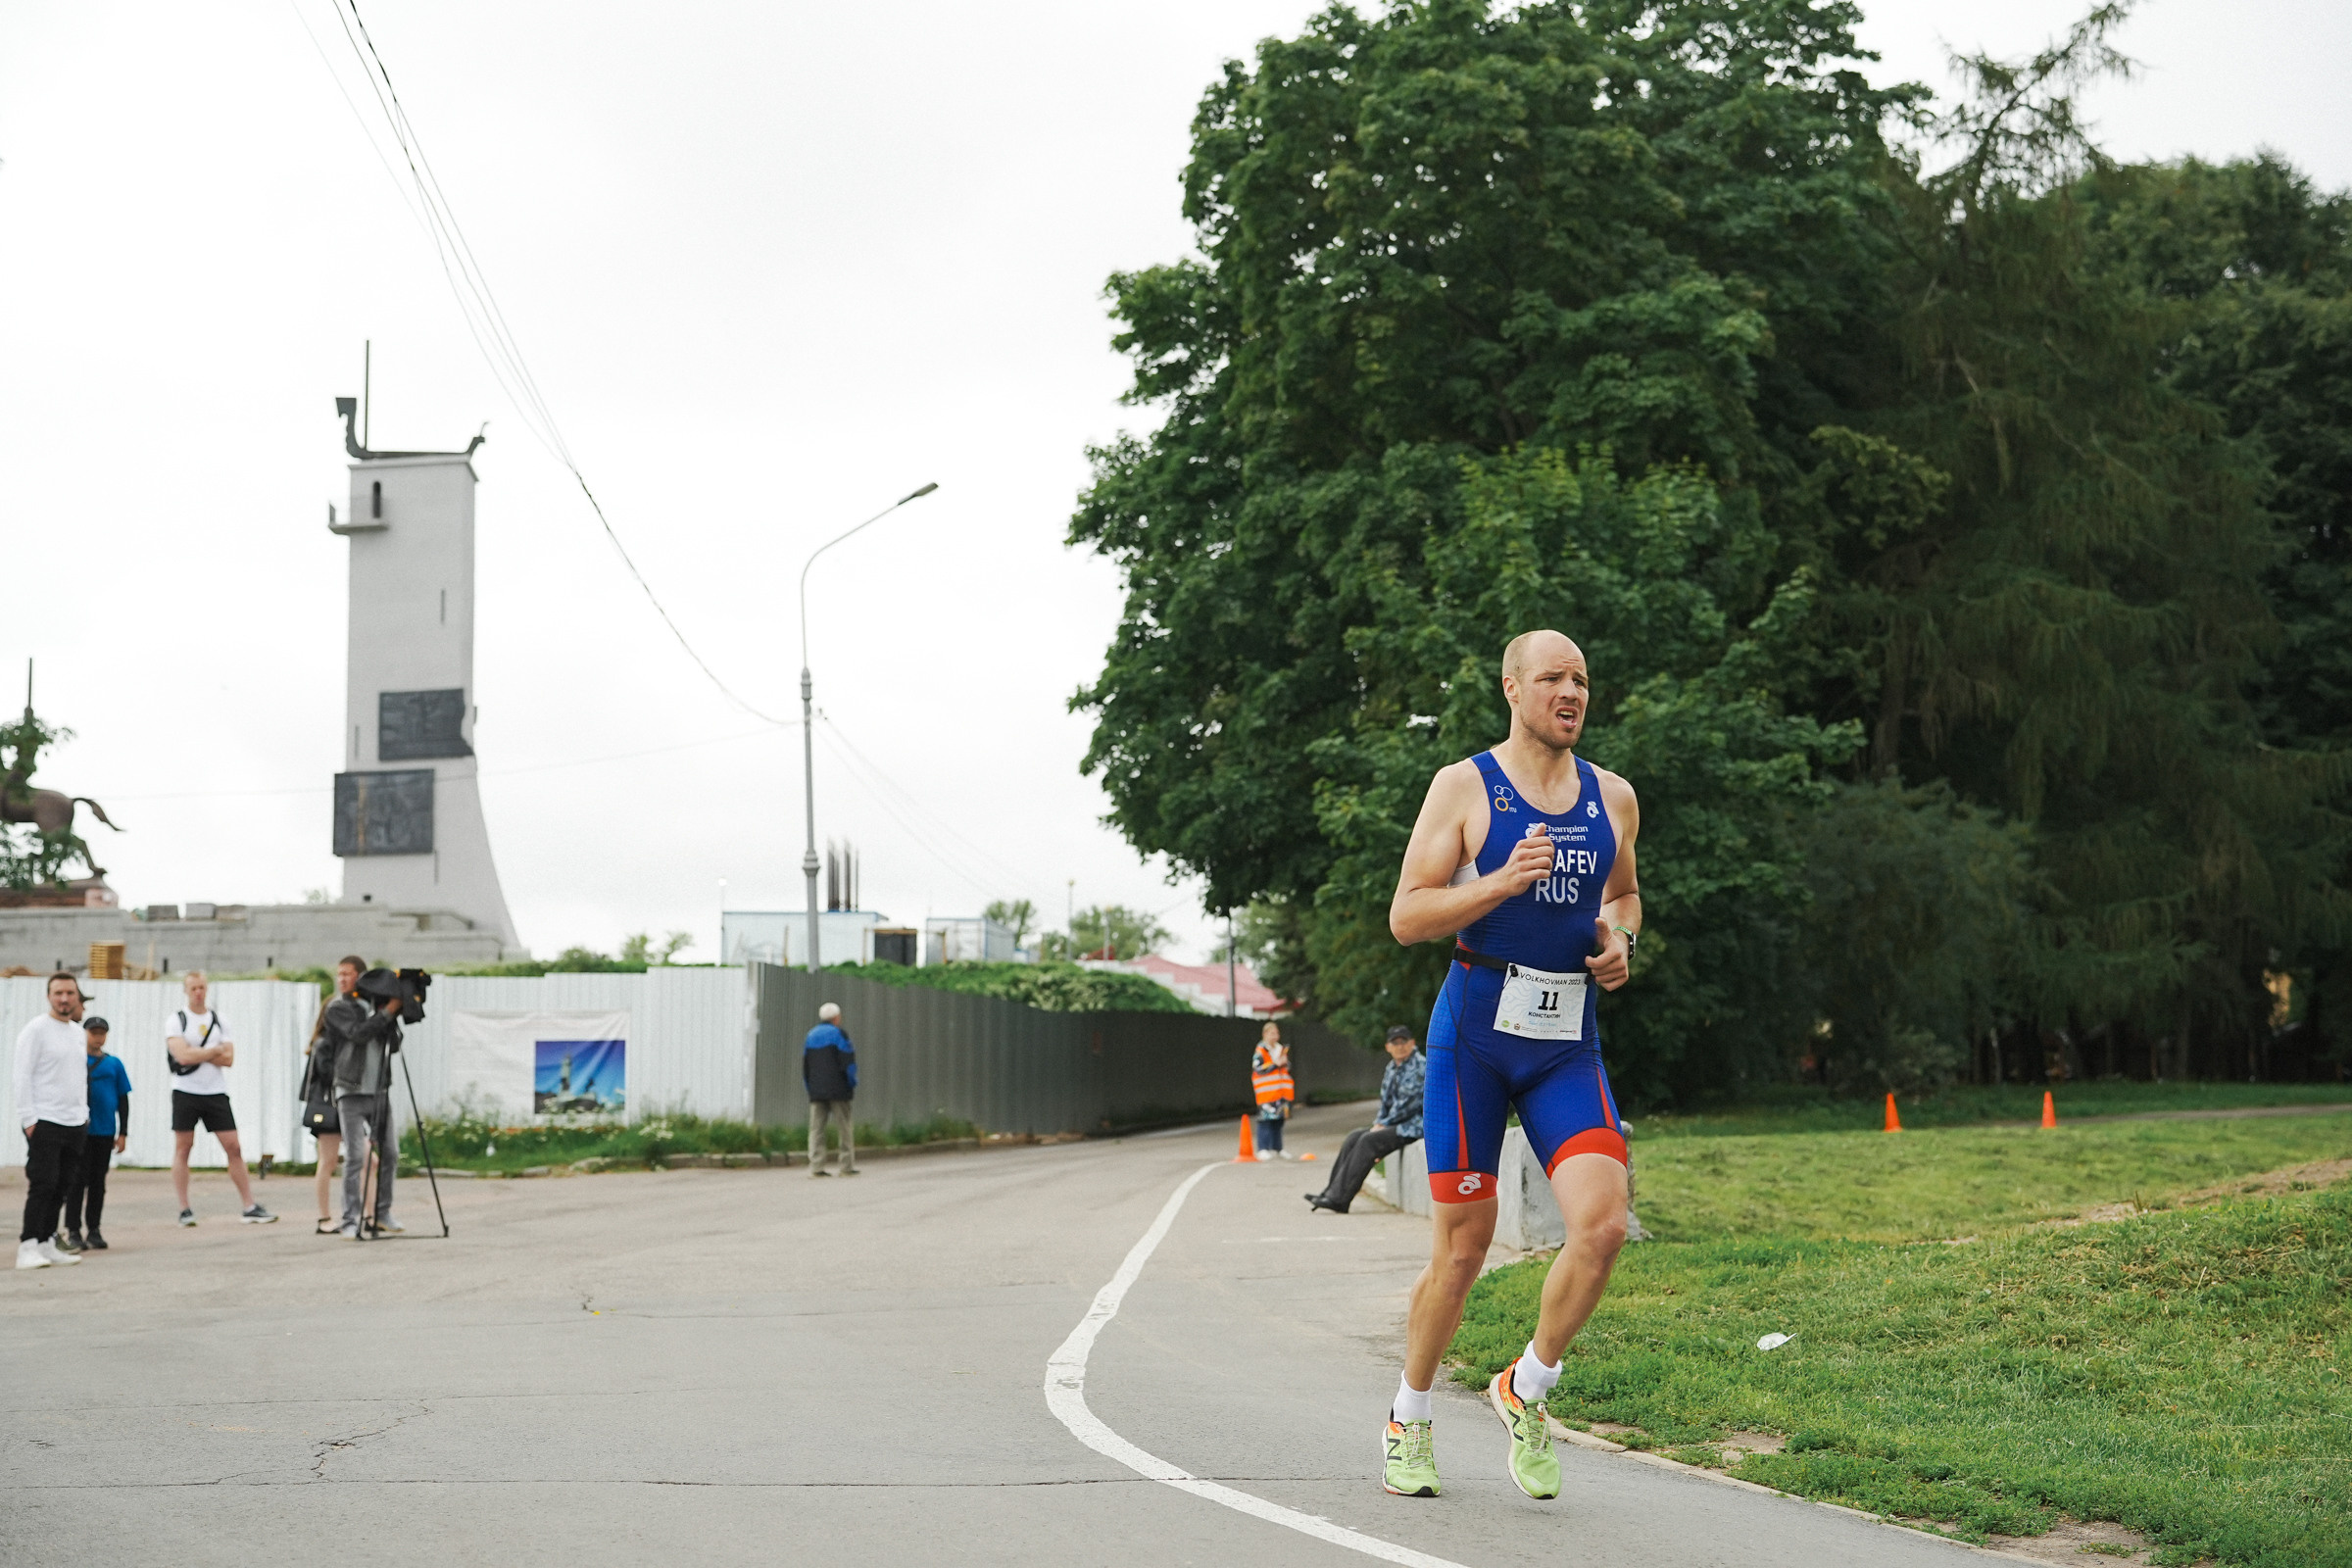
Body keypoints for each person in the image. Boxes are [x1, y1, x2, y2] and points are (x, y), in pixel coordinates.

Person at [1379, 628, 1642, 1501]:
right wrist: (1497, 882)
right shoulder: (1464, 786)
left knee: (1602, 1225)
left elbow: (1625, 894)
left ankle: (1526, 1387)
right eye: (1554, 679)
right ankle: (1408, 1417)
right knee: (1464, 1251)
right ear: (1511, 688)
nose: (1572, 693)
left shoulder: (1614, 797)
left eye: (1583, 680)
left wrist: (1621, 942)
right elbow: (1409, 916)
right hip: (1475, 1040)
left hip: (1566, 1038)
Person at [166, 970, 274, 1225]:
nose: (198, 992)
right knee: (183, 1147)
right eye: (193, 988)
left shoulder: (220, 1019)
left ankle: (249, 1205)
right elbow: (181, 1056)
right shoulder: (177, 1020)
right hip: (185, 1091)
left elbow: (229, 1059)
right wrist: (213, 1050)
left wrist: (199, 1052)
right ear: (186, 990)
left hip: (215, 1092)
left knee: (233, 1147)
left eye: (202, 987)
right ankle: (184, 1209)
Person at [323, 968, 406, 1239]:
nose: (342, 979)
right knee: (356, 1156)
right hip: (350, 1089)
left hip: (379, 1090)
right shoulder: (338, 1008)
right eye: (339, 974)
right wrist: (386, 1012)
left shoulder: (376, 1005)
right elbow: (357, 1033)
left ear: (361, 976)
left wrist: (391, 1014)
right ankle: (350, 1218)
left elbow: (393, 1045)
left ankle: (382, 1213)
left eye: (347, 974)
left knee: (390, 1153)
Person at [1305, 1026, 1424, 1214]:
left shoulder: (1419, 1066)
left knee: (1369, 1141)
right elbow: (1385, 1101)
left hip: (1413, 1126)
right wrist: (1379, 1122)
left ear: (1412, 1043)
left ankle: (1339, 1199)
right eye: (1395, 1042)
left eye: (1404, 1042)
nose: (1400, 1046)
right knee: (1354, 1137)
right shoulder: (1392, 1067)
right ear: (1388, 1047)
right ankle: (1330, 1193)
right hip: (1396, 1124)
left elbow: (1408, 1105)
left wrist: (1383, 1124)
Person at [15, 973, 88, 1270]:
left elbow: (78, 1077)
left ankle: (47, 1241)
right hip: (45, 1120)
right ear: (49, 996)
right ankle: (28, 1245)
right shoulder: (36, 1030)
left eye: (70, 992)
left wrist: (83, 1114)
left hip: (74, 1122)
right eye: (58, 993)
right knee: (42, 1184)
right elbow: (21, 1075)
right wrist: (29, 1119)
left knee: (63, 1185)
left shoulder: (77, 1032)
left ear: (76, 996)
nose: (64, 999)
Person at [301, 956, 367, 1235]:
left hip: (339, 1104)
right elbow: (328, 1075)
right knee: (328, 1160)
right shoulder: (324, 1043)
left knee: (365, 1158)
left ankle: (368, 1213)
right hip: (329, 1106)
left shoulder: (329, 1042)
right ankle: (324, 1217)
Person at [60, 1014, 130, 1252]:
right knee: (76, 1182)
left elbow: (123, 1099)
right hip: (80, 1130)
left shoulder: (114, 1064)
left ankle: (94, 1229)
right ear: (85, 1033)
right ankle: (73, 1230)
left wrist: (123, 1132)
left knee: (98, 1183)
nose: (98, 1037)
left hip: (105, 1131)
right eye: (94, 1033)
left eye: (102, 1033)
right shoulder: (76, 1060)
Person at [804, 1003, 858, 1177]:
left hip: (817, 1091)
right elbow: (848, 1062)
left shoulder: (810, 1036)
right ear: (836, 1018)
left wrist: (810, 1087)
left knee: (816, 1129)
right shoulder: (839, 1034)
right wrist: (851, 1083)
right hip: (839, 1090)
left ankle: (816, 1167)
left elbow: (806, 1067)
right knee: (844, 1128)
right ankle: (846, 1166)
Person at [1250, 1021, 1295, 1160]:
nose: (1275, 1036)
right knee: (1265, 1120)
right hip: (1267, 1093)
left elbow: (1286, 1067)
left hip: (1280, 1092)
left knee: (1278, 1121)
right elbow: (1259, 1069)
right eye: (1272, 1033)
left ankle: (1278, 1148)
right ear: (1265, 1034)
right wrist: (1276, 1064)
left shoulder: (1280, 1049)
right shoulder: (1261, 1051)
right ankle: (1262, 1148)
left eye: (1277, 1033)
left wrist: (1285, 1063)